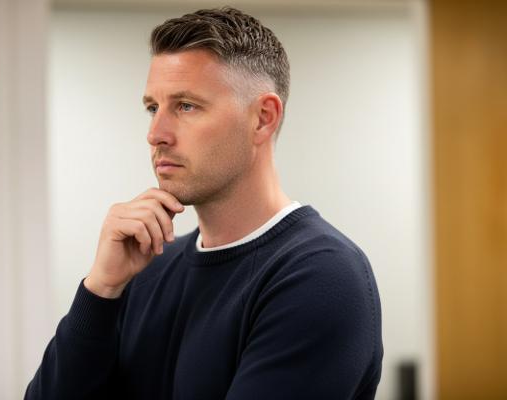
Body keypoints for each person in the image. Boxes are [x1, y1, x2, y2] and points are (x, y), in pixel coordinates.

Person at [26, 7, 383, 400]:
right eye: (152, 107)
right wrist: (101, 288)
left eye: (186, 106)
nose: (155, 133)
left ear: (263, 118)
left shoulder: (321, 276)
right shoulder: (146, 270)